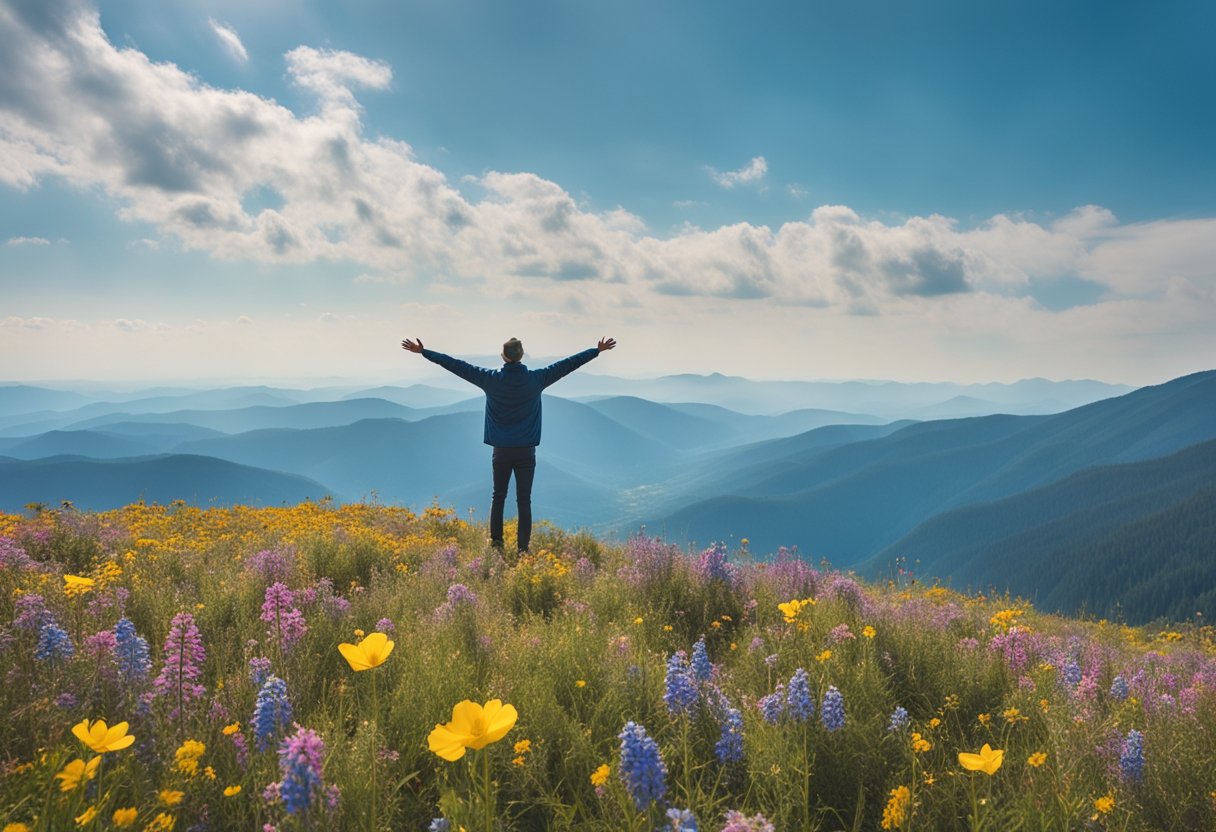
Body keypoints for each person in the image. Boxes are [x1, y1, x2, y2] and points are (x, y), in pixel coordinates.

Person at [401, 335, 616, 554]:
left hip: (501, 451)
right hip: (526, 451)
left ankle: (496, 546)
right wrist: (595, 351)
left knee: (498, 496)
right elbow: (567, 365)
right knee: (524, 500)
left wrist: (424, 352)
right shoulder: (536, 379)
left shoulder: (490, 379)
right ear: (522, 355)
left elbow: (457, 366)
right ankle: (523, 550)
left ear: (503, 356)